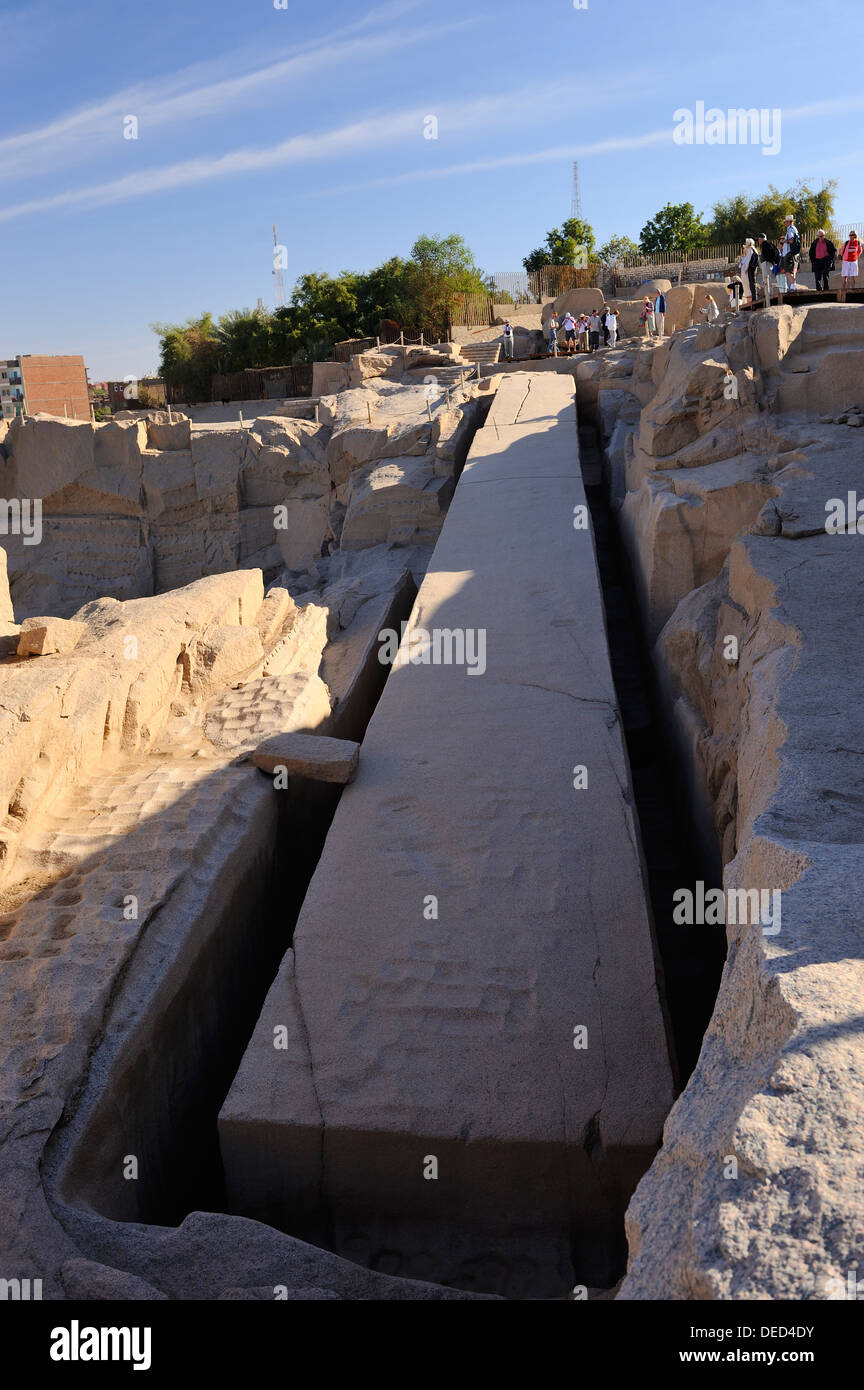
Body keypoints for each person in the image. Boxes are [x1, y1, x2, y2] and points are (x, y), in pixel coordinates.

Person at [756, 233, 780, 306]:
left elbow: (768, 254)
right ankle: (768, 293)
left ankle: (769, 294)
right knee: (767, 279)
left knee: (766, 279)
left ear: (762, 239)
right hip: (768, 263)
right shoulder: (768, 243)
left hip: (766, 263)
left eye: (759, 239)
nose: (758, 240)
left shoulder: (765, 244)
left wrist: (770, 260)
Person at [838, 231, 862, 299]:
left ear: (855, 235)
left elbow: (860, 251)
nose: (851, 236)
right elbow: (841, 251)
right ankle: (843, 290)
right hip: (846, 261)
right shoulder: (846, 243)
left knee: (852, 276)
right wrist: (844, 257)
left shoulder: (858, 243)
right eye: (850, 235)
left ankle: (852, 290)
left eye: (852, 235)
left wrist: (856, 256)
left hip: (854, 261)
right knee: (844, 276)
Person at [781, 214, 801, 290]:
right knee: (792, 270)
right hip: (794, 253)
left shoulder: (790, 229)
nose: (785, 223)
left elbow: (791, 240)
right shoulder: (794, 229)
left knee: (787, 270)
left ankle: (793, 285)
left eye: (785, 222)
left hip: (790, 253)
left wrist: (784, 241)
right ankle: (793, 285)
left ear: (789, 222)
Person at [739, 238, 758, 306]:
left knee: (749, 286)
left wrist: (746, 268)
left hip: (747, 272)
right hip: (744, 274)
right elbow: (740, 265)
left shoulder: (750, 250)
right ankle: (749, 301)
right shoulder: (745, 256)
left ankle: (751, 301)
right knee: (747, 287)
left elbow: (748, 261)